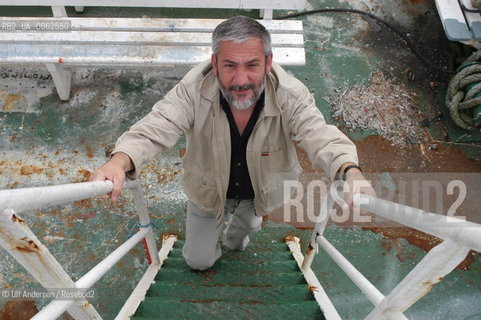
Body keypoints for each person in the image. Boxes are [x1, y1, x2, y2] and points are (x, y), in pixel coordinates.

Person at [91, 16, 375, 271]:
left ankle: (234, 238)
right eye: (230, 66)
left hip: (258, 195)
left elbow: (318, 134)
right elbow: (158, 125)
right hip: (208, 190)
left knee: (239, 243)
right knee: (197, 261)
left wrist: (349, 170)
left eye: (252, 65)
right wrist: (120, 160)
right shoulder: (193, 90)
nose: (241, 80)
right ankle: (214, 244)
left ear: (268, 62)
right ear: (215, 63)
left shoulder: (291, 95)